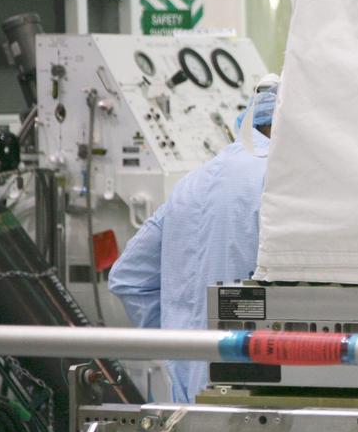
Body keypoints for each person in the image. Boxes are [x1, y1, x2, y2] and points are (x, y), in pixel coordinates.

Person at [109, 76, 278, 403]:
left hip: (190, 396)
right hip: (266, 390)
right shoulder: (287, 181)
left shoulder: (191, 184)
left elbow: (127, 278)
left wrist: (179, 340)